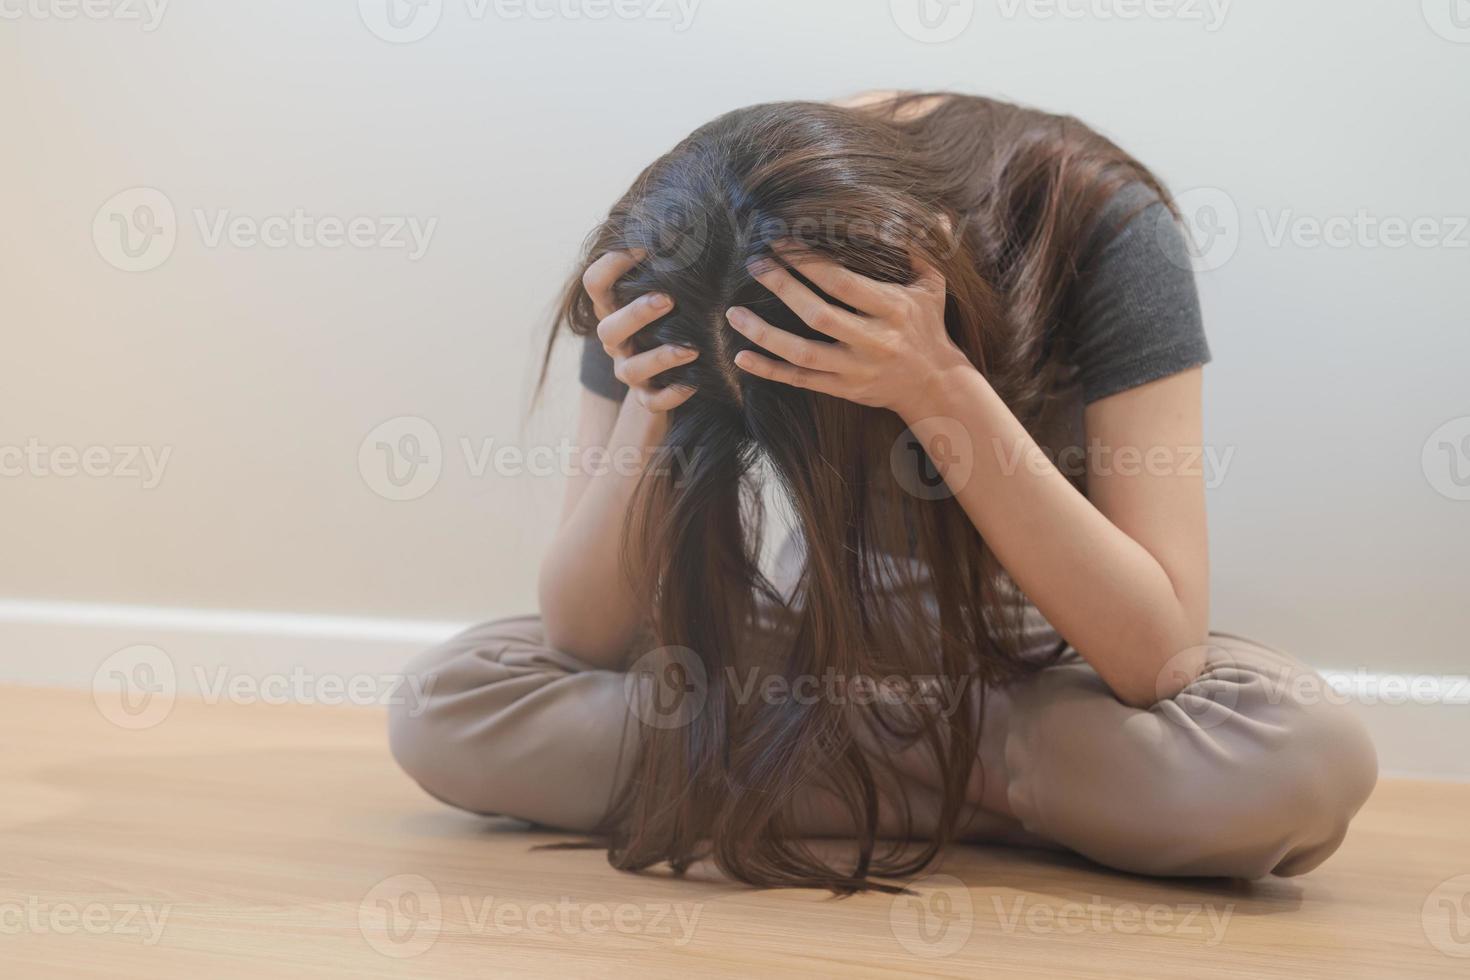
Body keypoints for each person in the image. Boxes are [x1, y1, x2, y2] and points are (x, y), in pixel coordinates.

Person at [389, 92, 1377, 893]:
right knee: (446, 703)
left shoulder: (1095, 222)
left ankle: (839, 769)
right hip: (820, 662)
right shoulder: (680, 251)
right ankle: (990, 785)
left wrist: (939, 386)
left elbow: (1158, 654)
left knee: (1302, 756)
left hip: (1036, 669)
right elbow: (582, 636)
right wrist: (656, 404)